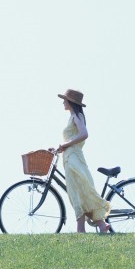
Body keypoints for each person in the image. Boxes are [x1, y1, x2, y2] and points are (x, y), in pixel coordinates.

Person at [53, 89, 111, 233]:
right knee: (79, 191)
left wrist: (66, 144)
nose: (63, 102)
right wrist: (59, 148)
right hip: (70, 157)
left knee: (77, 192)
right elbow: (72, 140)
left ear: (70, 102)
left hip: (73, 159)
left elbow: (84, 134)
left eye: (64, 100)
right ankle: (100, 225)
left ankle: (82, 229)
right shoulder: (73, 117)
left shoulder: (76, 116)